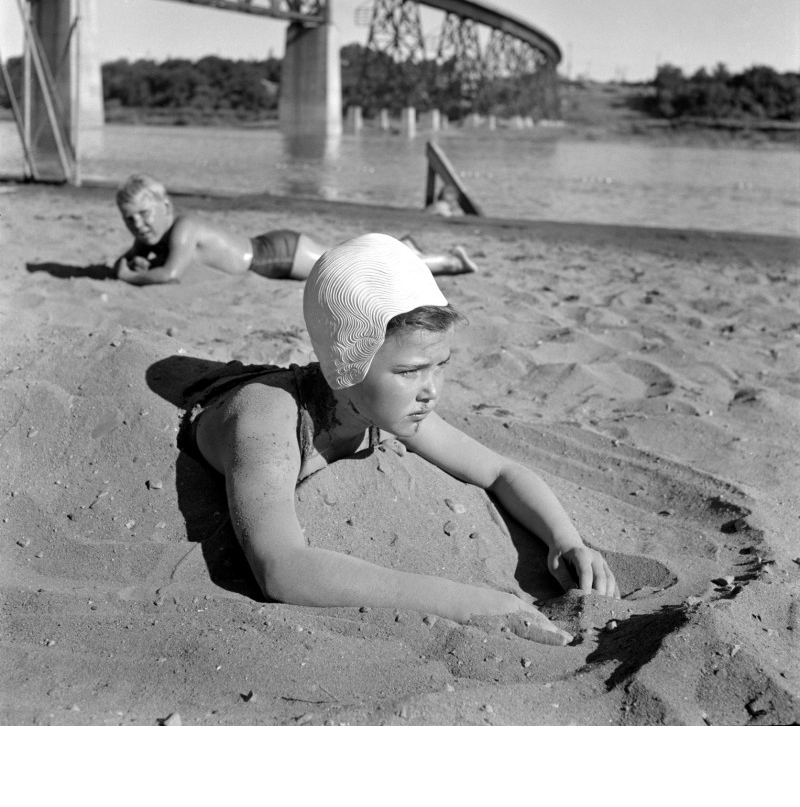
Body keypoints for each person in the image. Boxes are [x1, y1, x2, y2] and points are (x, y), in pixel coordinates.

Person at [177, 233, 618, 647]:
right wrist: (473, 604)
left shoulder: (388, 406)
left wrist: (565, 539)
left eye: (441, 364)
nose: (431, 390)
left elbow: (502, 471)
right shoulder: (267, 421)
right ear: (344, 365)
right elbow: (281, 568)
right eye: (409, 371)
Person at [113, 173, 477, 286]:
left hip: (278, 255)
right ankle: (402, 246)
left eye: (145, 214)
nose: (139, 224)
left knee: (351, 272)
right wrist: (133, 261)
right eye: (130, 219)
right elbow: (135, 256)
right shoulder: (158, 234)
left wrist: (128, 277)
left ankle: (443, 261)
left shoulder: (183, 228)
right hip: (272, 251)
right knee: (348, 262)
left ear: (166, 207)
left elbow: (170, 273)